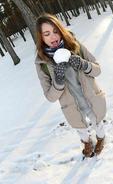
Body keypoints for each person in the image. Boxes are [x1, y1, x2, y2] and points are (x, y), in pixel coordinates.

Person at [35, 13, 106, 158]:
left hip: (92, 98)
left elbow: (97, 70)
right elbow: (50, 97)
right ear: (41, 37)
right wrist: (58, 81)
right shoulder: (42, 63)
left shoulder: (76, 46)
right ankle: (87, 143)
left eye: (55, 31)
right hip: (72, 107)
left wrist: (82, 64)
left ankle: (100, 139)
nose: (53, 37)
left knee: (98, 123)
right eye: (47, 34)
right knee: (81, 129)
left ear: (61, 30)